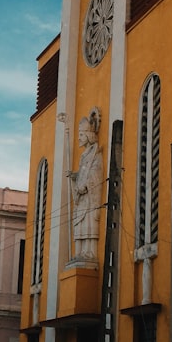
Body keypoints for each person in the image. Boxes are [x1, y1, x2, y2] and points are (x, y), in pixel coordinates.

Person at [68, 108, 103, 262]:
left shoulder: (95, 153)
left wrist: (87, 185)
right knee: (79, 224)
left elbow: (96, 171)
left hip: (89, 197)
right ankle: (80, 252)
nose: (79, 139)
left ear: (88, 135)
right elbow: (83, 172)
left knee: (88, 224)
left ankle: (89, 252)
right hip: (81, 197)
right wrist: (75, 176)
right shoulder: (83, 155)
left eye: (81, 135)